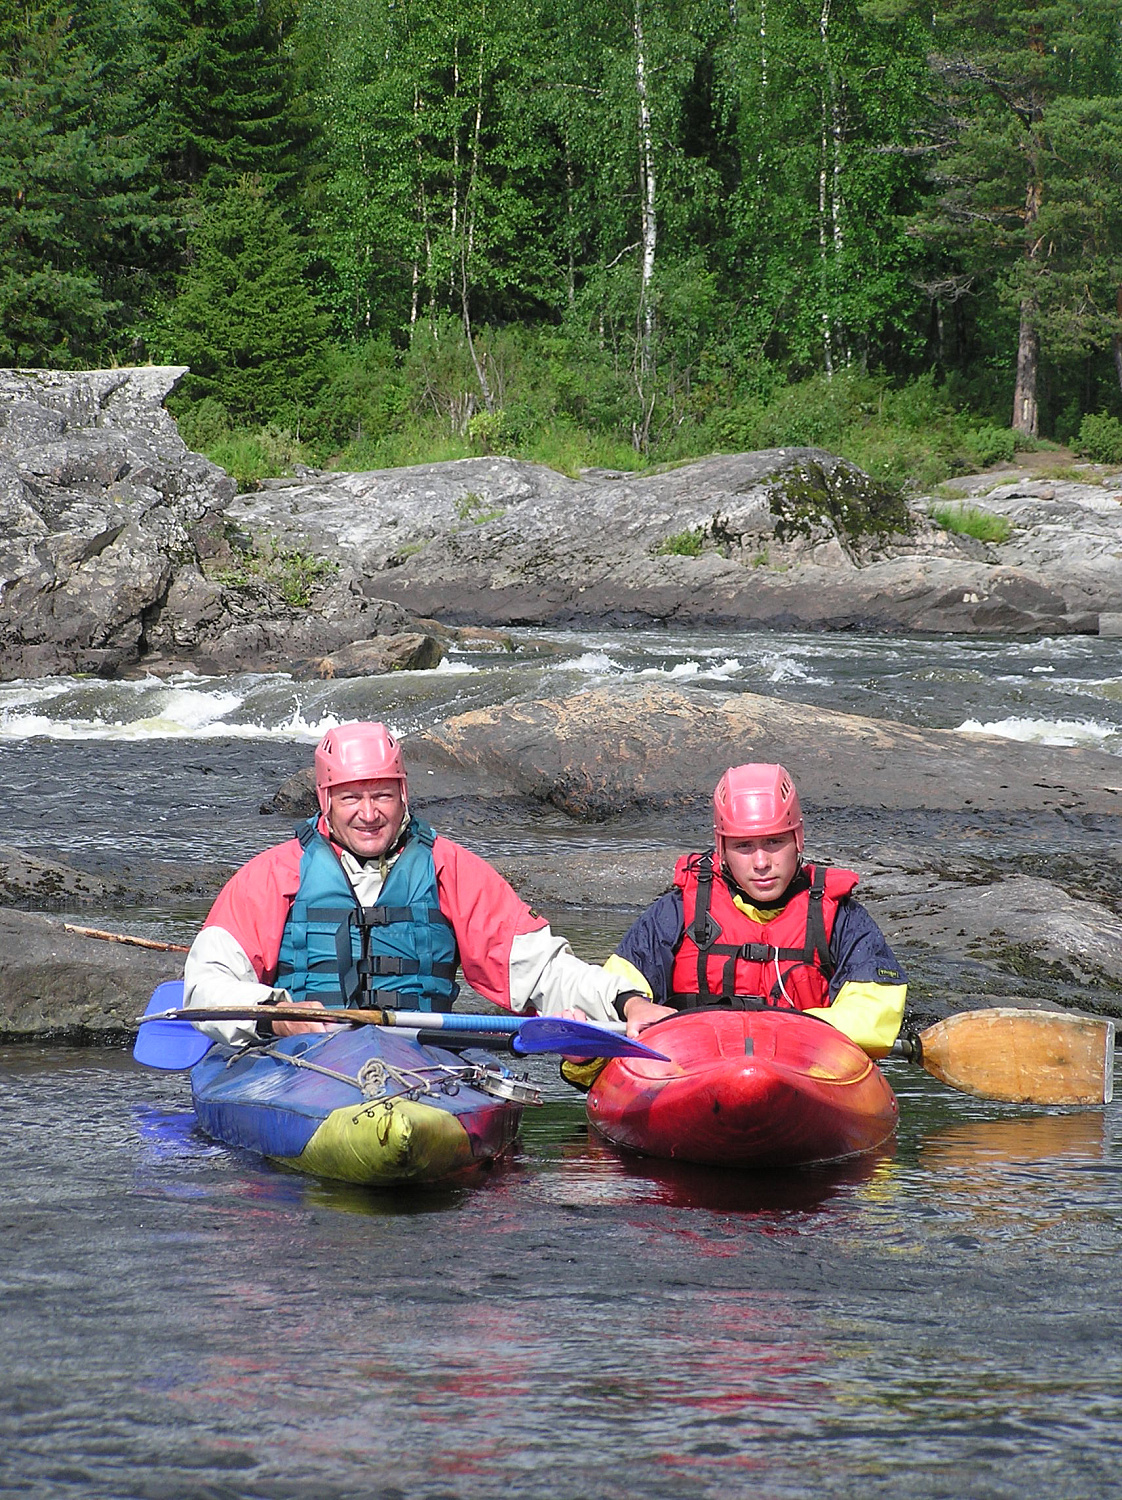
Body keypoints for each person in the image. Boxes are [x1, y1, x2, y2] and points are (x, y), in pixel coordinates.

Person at [183, 720, 634, 1045]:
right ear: (325, 801)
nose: (369, 813)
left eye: (381, 794)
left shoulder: (449, 869)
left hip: (418, 1059)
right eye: (350, 798)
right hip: (300, 1059)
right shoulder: (273, 874)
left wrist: (626, 1001)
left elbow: (541, 969)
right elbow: (207, 982)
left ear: (403, 794)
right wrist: (277, 1015)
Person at [601, 762, 907, 1056]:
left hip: (806, 1063)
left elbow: (874, 1013)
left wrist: (774, 1031)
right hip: (694, 1064)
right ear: (721, 849)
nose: (761, 863)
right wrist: (630, 1009)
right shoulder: (676, 913)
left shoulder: (843, 918)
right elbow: (613, 991)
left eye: (774, 841)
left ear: (797, 839)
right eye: (744, 846)